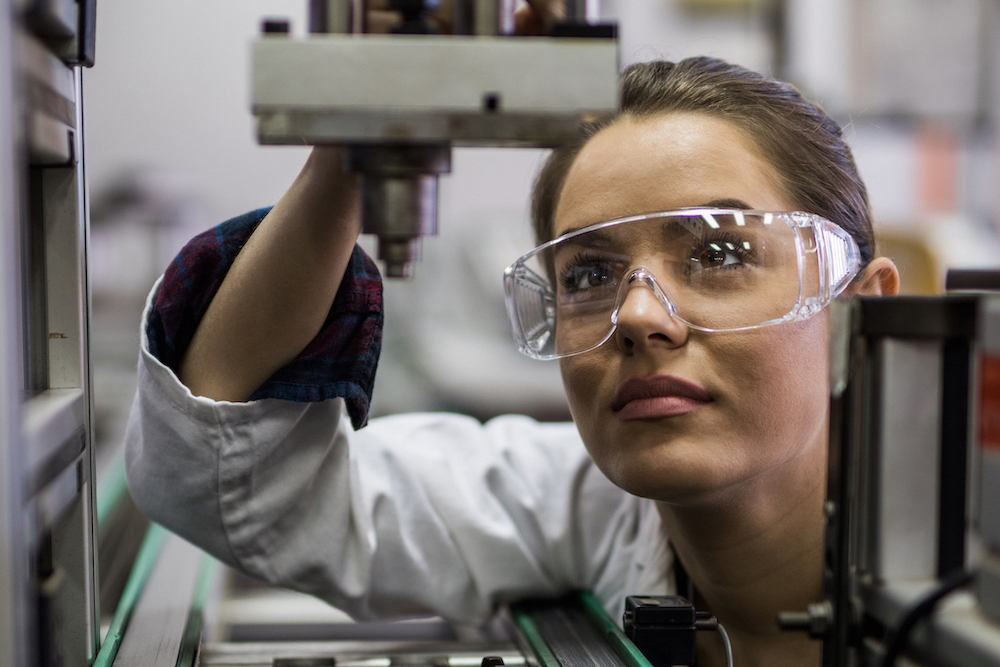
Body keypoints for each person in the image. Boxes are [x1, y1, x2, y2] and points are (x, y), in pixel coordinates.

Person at [125, 48, 900, 667]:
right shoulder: (584, 507)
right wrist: (354, 156)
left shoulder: (968, 567)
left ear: (863, 312)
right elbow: (226, 478)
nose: (636, 315)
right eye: (590, 275)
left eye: (722, 252)